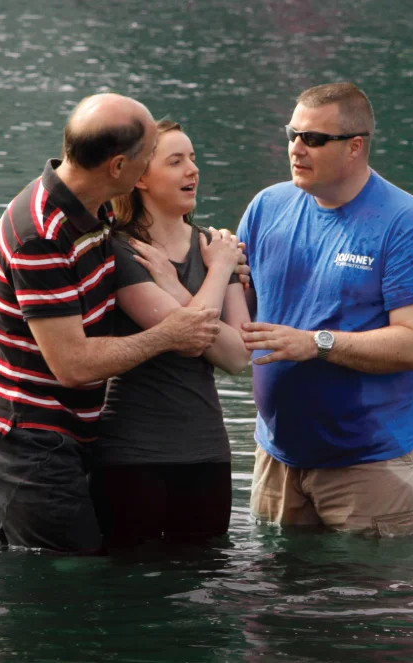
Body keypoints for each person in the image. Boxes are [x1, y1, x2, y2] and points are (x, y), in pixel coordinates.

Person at [0, 94, 223, 554]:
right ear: (119, 167)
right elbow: (73, 364)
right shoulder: (41, 234)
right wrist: (168, 335)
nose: (152, 166)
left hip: (71, 428)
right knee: (68, 570)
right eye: (149, 155)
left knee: (73, 561)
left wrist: (182, 273)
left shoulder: (95, 209)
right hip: (28, 434)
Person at [236, 82, 413, 536]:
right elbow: (240, 315)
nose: (297, 148)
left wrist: (314, 344)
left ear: (355, 147)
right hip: (277, 456)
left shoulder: (407, 224)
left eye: (313, 139)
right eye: (292, 134)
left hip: (372, 464)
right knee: (274, 602)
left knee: (368, 604)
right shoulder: (266, 208)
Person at [92, 120, 252, 549]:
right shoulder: (122, 251)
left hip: (207, 450)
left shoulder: (216, 246)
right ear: (140, 176)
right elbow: (194, 337)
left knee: (205, 581)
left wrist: (178, 284)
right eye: (176, 161)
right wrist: (219, 273)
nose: (193, 171)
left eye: (194, 159)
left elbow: (238, 357)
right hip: (132, 453)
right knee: (135, 585)